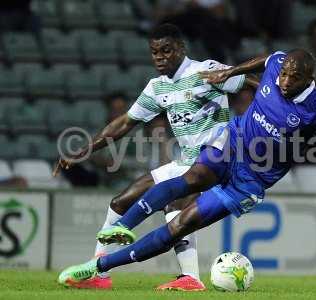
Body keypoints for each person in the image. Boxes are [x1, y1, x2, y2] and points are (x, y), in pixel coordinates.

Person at [57, 49, 316, 288]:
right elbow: (264, 59)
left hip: (250, 181)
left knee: (179, 228)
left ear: (308, 79)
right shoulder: (277, 63)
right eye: (283, 73)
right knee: (193, 176)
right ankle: (124, 226)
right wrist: (227, 73)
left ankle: (97, 265)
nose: (284, 80)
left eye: (293, 78)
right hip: (233, 141)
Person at [53, 23, 256, 291]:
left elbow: (249, 83)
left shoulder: (205, 70)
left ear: (181, 49)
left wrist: (278, 100)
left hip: (216, 160)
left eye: (166, 50)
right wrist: (85, 150)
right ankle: (98, 273)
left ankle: (191, 278)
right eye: (154, 52)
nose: (159, 57)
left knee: (175, 207)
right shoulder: (157, 88)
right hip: (186, 162)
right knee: (120, 202)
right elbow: (125, 123)